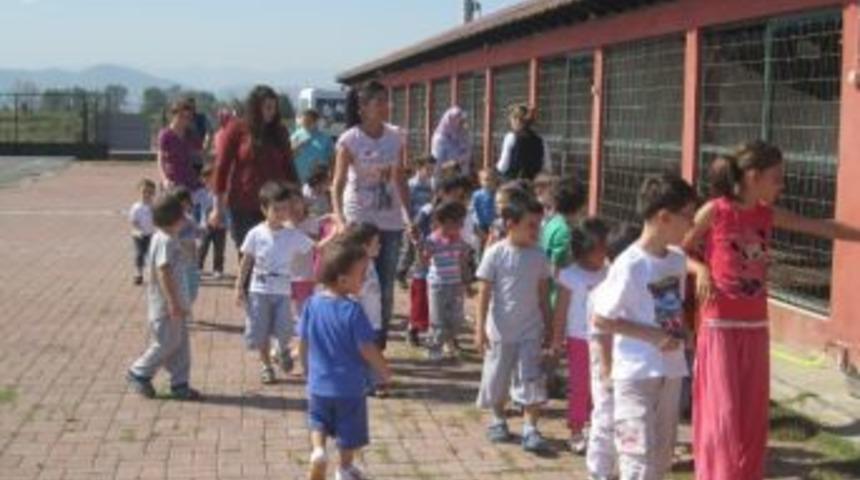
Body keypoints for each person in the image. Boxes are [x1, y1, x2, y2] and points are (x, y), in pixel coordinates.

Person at [684, 141, 860, 480]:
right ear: (752, 177)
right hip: (720, 326)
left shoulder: (767, 215)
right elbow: (677, 249)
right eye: (776, 178)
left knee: (751, 414)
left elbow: (824, 227)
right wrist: (701, 270)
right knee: (723, 413)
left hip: (755, 326)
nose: (782, 185)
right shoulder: (715, 210)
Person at [591, 173, 697, 480]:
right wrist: (652, 336)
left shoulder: (676, 260)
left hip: (670, 372)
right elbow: (601, 318)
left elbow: (668, 306)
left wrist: (682, 332)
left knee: (661, 459)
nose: (692, 224)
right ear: (664, 217)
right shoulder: (629, 264)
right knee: (636, 460)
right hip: (634, 377)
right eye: (687, 217)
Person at [298, 241, 393, 480]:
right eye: (361, 274)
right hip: (349, 387)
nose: (364, 279)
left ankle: (318, 452)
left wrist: (304, 367)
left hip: (318, 383)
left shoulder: (312, 303)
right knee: (349, 430)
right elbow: (367, 347)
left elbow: (303, 341)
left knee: (318, 420)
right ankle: (345, 468)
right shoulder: (353, 310)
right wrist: (384, 370)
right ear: (342, 280)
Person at [332, 80, 411, 351]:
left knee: (386, 288)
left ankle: (377, 347)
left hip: (389, 221)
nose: (385, 106)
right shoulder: (349, 140)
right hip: (359, 220)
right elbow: (338, 183)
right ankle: (353, 340)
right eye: (378, 101)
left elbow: (400, 179)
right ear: (363, 107)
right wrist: (340, 218)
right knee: (357, 282)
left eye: (385, 100)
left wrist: (409, 216)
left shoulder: (396, 136)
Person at [474, 195, 552, 453]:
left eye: (539, 225)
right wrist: (479, 331)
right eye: (531, 225)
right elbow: (483, 293)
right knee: (497, 378)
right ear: (510, 224)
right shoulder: (495, 254)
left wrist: (550, 328)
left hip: (531, 331)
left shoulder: (539, 256)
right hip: (500, 331)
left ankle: (531, 427)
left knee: (531, 378)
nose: (536, 230)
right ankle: (498, 418)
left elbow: (543, 294)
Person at [236, 182, 315, 385]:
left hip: (282, 292)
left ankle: (282, 350)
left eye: (285, 208)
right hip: (258, 290)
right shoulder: (256, 233)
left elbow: (314, 247)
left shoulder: (293, 234)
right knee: (260, 329)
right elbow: (246, 260)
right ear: (264, 209)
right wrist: (239, 286)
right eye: (276, 209)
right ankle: (266, 367)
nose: (282, 213)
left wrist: (335, 235)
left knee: (285, 328)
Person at [127, 193, 202, 401]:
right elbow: (164, 271)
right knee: (166, 343)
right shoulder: (166, 240)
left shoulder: (168, 238)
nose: (186, 218)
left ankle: (180, 383)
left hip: (176, 304)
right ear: (175, 219)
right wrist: (173, 302)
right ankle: (139, 372)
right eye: (183, 215)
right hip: (166, 307)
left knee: (180, 344)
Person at [210, 85, 299, 251]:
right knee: (247, 255)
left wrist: (297, 198)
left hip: (275, 204)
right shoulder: (236, 129)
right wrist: (217, 207)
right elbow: (221, 167)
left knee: (273, 252)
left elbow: (289, 167)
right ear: (255, 108)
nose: (271, 112)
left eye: (274, 108)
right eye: (267, 107)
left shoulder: (280, 132)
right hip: (243, 202)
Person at [550, 218, 610, 456]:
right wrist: (556, 338)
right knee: (580, 386)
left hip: (605, 340)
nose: (605, 251)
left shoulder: (611, 271)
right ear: (585, 250)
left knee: (602, 386)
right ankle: (576, 429)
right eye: (600, 247)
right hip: (579, 340)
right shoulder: (569, 275)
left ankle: (597, 428)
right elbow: (561, 309)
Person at [407, 175, 471, 346]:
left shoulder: (457, 215)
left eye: (462, 196)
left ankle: (449, 339)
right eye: (455, 195)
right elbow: (417, 229)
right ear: (443, 193)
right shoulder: (428, 210)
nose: (459, 199)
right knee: (424, 303)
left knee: (449, 310)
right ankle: (414, 329)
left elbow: (463, 255)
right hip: (429, 263)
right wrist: (417, 241)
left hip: (450, 264)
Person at [420, 200, 472, 361]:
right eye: (456, 223)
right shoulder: (432, 240)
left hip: (456, 285)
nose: (460, 227)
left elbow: (463, 263)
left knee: (456, 318)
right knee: (437, 319)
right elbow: (424, 260)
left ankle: (448, 341)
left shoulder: (460, 242)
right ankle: (434, 347)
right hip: (437, 285)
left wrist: (466, 281)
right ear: (443, 222)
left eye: (461, 223)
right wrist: (420, 250)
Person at [396, 155, 435, 288]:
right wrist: (408, 222)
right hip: (412, 221)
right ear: (419, 168)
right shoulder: (411, 184)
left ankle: (421, 275)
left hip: (425, 222)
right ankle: (401, 272)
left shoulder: (431, 184)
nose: (431, 172)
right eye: (428, 169)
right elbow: (405, 203)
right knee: (408, 249)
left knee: (422, 248)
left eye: (432, 169)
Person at [157, 99, 202, 193]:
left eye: (189, 117)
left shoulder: (190, 134)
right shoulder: (165, 135)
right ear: (174, 115)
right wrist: (165, 179)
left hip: (190, 182)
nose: (186, 120)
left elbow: (199, 154)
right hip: (172, 182)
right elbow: (160, 160)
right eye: (183, 117)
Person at [496, 104, 551, 181]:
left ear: (517, 120)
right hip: (532, 184)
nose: (511, 122)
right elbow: (547, 167)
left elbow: (503, 166)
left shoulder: (510, 137)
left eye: (512, 119)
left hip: (514, 183)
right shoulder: (541, 140)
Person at [169, 187, 202, 305]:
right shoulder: (171, 222)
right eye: (180, 205)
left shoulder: (190, 218)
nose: (183, 207)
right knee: (180, 289)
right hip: (178, 262)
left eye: (186, 203)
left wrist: (202, 230)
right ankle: (183, 311)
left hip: (192, 261)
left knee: (193, 290)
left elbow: (198, 234)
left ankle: (186, 308)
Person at [197, 164, 227, 279]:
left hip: (221, 226)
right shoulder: (201, 193)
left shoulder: (222, 193)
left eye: (212, 178)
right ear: (202, 179)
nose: (210, 181)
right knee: (202, 247)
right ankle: (198, 268)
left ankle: (218, 269)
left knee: (219, 249)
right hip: (205, 226)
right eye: (206, 178)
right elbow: (191, 200)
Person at [291, 109, 335, 185]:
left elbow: (332, 159)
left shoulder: (325, 138)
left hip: (318, 181)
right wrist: (296, 147)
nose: (305, 123)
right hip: (297, 179)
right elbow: (288, 155)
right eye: (304, 121)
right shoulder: (295, 136)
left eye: (308, 120)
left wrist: (332, 176)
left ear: (315, 121)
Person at [431, 106, 473, 179]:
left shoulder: (461, 134)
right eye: (460, 120)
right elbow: (437, 161)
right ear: (451, 120)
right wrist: (454, 162)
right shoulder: (440, 138)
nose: (462, 123)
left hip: (462, 175)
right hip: (446, 176)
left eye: (463, 120)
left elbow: (467, 151)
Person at [130, 179, 156, 285]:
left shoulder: (154, 206)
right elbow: (133, 221)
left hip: (151, 234)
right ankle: (138, 273)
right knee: (139, 253)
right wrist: (138, 230)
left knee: (151, 254)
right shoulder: (136, 207)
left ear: (153, 194)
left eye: (150, 192)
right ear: (139, 192)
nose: (146, 195)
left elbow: (157, 219)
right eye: (144, 192)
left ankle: (152, 274)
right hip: (138, 236)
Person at [471, 167, 498, 258]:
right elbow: (473, 210)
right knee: (479, 248)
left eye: (492, 180)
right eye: (486, 180)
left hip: (494, 226)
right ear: (480, 181)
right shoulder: (476, 195)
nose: (489, 183)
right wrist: (476, 224)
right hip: (480, 226)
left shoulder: (498, 194)